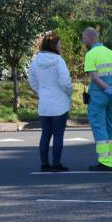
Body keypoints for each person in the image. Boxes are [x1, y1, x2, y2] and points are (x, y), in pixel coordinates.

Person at [28, 32, 72, 172]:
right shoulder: (59, 60)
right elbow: (65, 81)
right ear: (54, 45)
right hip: (59, 102)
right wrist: (69, 92)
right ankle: (56, 163)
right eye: (59, 44)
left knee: (45, 134)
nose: (60, 47)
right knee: (58, 134)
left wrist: (40, 91)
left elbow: (32, 80)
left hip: (44, 102)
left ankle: (44, 163)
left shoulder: (36, 60)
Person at [82, 27, 112, 171]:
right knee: (111, 125)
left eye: (84, 38)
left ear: (91, 38)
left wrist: (106, 88)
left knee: (99, 126)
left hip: (98, 95)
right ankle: (111, 158)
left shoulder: (91, 54)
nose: (83, 41)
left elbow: (94, 77)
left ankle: (105, 161)